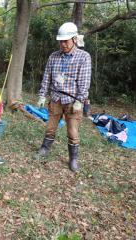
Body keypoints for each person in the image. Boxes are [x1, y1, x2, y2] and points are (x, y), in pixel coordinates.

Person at [37, 22, 91, 172]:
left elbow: (84, 81)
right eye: (60, 41)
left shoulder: (83, 57)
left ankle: (73, 159)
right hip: (55, 99)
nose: (62, 44)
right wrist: (42, 95)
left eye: (65, 41)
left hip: (73, 101)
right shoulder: (53, 56)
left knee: (72, 132)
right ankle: (44, 149)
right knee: (50, 127)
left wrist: (80, 100)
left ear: (74, 39)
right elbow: (47, 77)